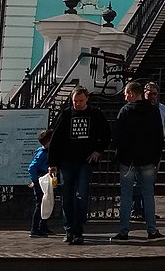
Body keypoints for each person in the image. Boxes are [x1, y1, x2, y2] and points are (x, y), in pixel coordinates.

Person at [48, 86, 111, 245]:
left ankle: (78, 228)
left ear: (87, 99)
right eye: (75, 101)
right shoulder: (66, 114)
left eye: (81, 101)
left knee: (82, 195)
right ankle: (69, 229)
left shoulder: (95, 114)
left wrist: (98, 150)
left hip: (85, 161)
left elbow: (106, 134)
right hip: (66, 161)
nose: (77, 104)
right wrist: (53, 163)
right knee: (67, 196)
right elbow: (56, 139)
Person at [112, 80, 165, 241]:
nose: (125, 97)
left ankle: (123, 231)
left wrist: (120, 155)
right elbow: (158, 136)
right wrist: (156, 157)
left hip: (128, 160)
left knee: (126, 195)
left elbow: (117, 136)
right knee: (148, 194)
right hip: (148, 158)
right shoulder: (153, 111)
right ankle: (152, 230)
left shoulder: (125, 111)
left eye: (127, 94)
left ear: (133, 94)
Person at [134, 81, 165, 219]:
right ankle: (136, 209)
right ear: (144, 93)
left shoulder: (162, 109)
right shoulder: (140, 108)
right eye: (150, 94)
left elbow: (164, 128)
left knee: (151, 181)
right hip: (140, 149)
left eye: (155, 94)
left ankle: (147, 209)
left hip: (155, 149)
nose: (153, 96)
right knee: (138, 181)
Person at [27, 129, 54, 237]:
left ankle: (43, 226)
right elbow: (32, 167)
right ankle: (35, 229)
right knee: (40, 204)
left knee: (46, 203)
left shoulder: (44, 151)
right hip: (41, 179)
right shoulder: (42, 153)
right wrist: (35, 181)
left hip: (45, 178)